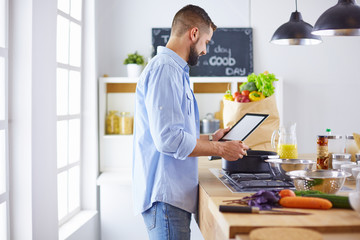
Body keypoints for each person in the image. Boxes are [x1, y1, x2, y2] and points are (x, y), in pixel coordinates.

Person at [132, 4, 249, 240]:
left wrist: (210, 139)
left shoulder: (175, 71)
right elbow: (168, 140)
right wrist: (221, 148)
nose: (205, 50)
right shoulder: (165, 69)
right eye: (206, 41)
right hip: (166, 198)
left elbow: (176, 132)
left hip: (172, 197)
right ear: (193, 34)